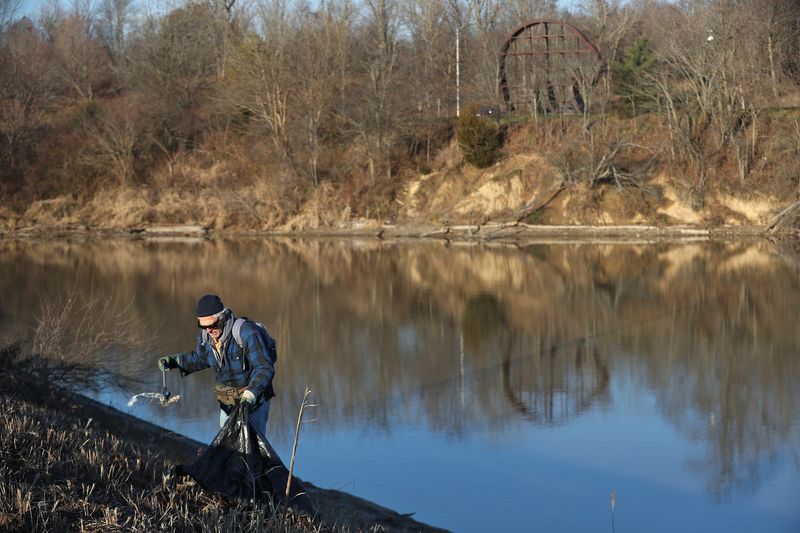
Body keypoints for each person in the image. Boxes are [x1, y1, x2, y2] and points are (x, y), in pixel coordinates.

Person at [158, 294, 276, 439]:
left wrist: (251, 394)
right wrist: (176, 361)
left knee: (253, 450)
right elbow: (201, 359)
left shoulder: (246, 333)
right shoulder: (206, 336)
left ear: (223, 317)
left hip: (255, 402)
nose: (208, 330)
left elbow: (265, 368)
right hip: (227, 404)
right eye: (203, 326)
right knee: (229, 448)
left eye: (212, 325)